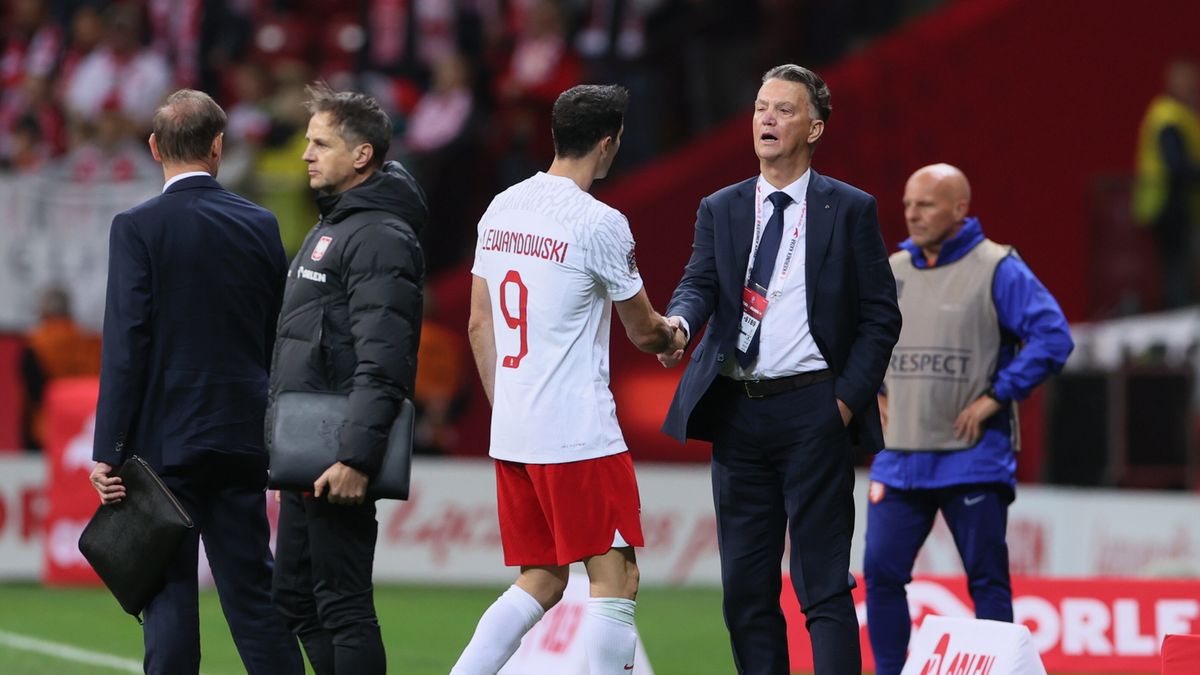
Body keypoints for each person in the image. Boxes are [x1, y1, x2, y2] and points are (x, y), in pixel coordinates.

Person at [657, 64, 901, 674]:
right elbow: (699, 283)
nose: (767, 118)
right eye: (762, 107)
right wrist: (681, 326)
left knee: (821, 585)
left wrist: (842, 404)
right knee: (744, 589)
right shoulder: (722, 206)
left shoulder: (849, 209)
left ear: (815, 128)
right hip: (737, 414)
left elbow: (880, 317)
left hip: (813, 411)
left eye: (784, 110)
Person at [452, 84, 684, 675]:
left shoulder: (501, 206)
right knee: (616, 576)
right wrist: (675, 335)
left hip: (515, 430)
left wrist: (510, 409)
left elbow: (480, 324)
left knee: (543, 577)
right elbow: (643, 331)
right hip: (577, 433)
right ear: (608, 144)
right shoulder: (599, 222)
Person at [88, 89, 303, 675]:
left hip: (163, 446)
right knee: (255, 599)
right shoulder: (260, 224)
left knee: (169, 597)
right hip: (240, 436)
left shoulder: (136, 226)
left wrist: (109, 450)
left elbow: (127, 343)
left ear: (154, 147)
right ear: (218, 147)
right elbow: (274, 337)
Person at [864, 164, 1073, 675]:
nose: (912, 213)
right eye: (909, 204)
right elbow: (855, 342)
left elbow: (1054, 337)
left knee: (986, 581)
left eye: (927, 204)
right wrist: (873, 389)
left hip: (972, 459)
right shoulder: (891, 270)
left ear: (960, 209)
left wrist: (996, 396)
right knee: (881, 575)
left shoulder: (997, 267)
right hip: (901, 457)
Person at [268, 82, 427, 675]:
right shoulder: (335, 226)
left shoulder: (380, 236)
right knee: (297, 598)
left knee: (342, 604)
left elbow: (384, 357)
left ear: (362, 155)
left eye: (320, 143)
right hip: (306, 451)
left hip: (337, 452)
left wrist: (357, 457)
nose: (306, 154)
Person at [1132, 59, 1200, 309]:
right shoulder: (1168, 116)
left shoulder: (1182, 114)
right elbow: (1176, 163)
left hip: (1177, 203)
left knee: (1178, 267)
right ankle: (1178, 316)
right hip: (1166, 203)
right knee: (1176, 269)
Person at [20, 285, 101, 450]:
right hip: (83, 420)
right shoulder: (86, 340)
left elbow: (34, 390)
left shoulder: (35, 342)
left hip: (45, 424)